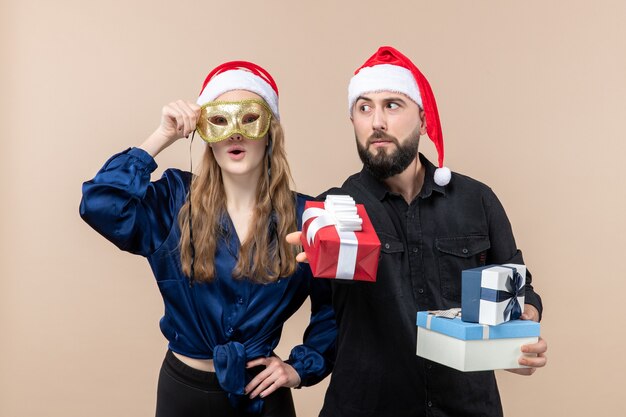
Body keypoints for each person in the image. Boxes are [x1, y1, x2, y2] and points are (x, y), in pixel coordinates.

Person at [288, 46, 548, 417]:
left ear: (424, 120)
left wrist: (519, 335)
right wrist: (296, 368)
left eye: (392, 105)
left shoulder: (477, 200)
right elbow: (318, 318)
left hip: (467, 408)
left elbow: (521, 290)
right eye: (364, 108)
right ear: (353, 121)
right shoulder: (332, 211)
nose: (377, 121)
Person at [80, 61, 336, 417]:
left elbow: (335, 308)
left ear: (269, 132)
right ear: (204, 130)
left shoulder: (308, 217)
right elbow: (100, 204)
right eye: (220, 120)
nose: (235, 133)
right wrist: (161, 136)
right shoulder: (172, 201)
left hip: (264, 398)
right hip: (183, 395)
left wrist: (300, 367)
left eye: (249, 119)